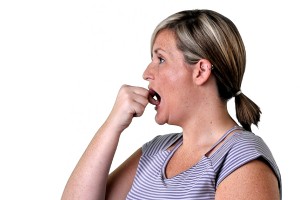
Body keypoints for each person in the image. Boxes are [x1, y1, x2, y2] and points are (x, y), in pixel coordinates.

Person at [61, 9, 282, 200]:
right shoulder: (157, 151)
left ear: (201, 71)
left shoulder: (240, 158)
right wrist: (113, 125)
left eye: (161, 59)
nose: (147, 73)